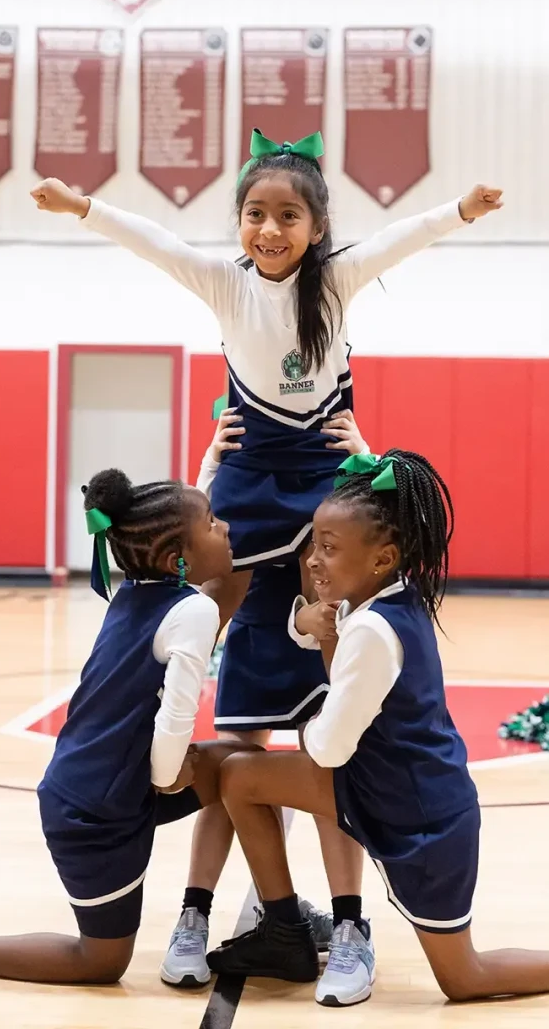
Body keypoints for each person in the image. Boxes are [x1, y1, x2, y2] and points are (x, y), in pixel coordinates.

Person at [30, 131, 503, 635]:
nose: (270, 229)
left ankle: (327, 711)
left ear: (318, 228)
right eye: (255, 214)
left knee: (328, 606)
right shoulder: (226, 284)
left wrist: (463, 209)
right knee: (211, 604)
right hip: (251, 460)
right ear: (240, 221)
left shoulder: (336, 281)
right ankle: (166, 697)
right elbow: (156, 243)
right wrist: (80, 206)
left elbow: (398, 240)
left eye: (288, 216)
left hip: (321, 462)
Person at [205, 451, 549, 1004]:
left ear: (383, 558)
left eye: (328, 549)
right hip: (377, 788)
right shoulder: (376, 599)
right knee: (240, 777)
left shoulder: (375, 630)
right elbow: (331, 636)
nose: (312, 562)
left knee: (464, 978)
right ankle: (285, 930)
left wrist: (308, 719)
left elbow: (328, 747)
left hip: (421, 814)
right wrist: (308, 622)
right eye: (314, 545)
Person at [0, 469, 255, 986]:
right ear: (174, 558)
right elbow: (173, 732)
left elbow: (201, 551)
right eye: (212, 522)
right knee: (101, 962)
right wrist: (172, 775)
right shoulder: (193, 610)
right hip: (96, 812)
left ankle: (277, 918)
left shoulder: (140, 593)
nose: (223, 527)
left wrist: (217, 462)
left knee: (245, 770)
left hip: (103, 786)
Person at [160, 408, 373, 1003]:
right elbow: (197, 545)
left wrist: (366, 456)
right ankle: (193, 914)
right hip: (255, 638)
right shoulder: (237, 468)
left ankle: (351, 923)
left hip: (318, 639)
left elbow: (388, 521)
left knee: (330, 777)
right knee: (232, 774)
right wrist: (209, 467)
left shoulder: (332, 466)